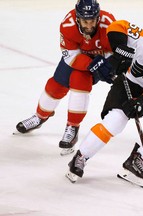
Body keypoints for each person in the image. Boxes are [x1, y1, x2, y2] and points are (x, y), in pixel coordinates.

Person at [66, 19, 143, 188]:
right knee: (115, 121)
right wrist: (121, 50)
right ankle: (81, 157)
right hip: (127, 83)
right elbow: (118, 26)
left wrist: (142, 104)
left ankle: (137, 160)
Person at [15, 0, 116, 156]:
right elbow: (71, 56)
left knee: (79, 80)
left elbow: (115, 50)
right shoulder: (68, 25)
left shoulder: (109, 23)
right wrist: (92, 64)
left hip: (101, 59)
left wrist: (110, 65)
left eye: (92, 21)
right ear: (77, 18)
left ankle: (73, 127)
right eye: (85, 21)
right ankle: (40, 116)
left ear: (98, 17)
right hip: (82, 59)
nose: (89, 26)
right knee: (55, 86)